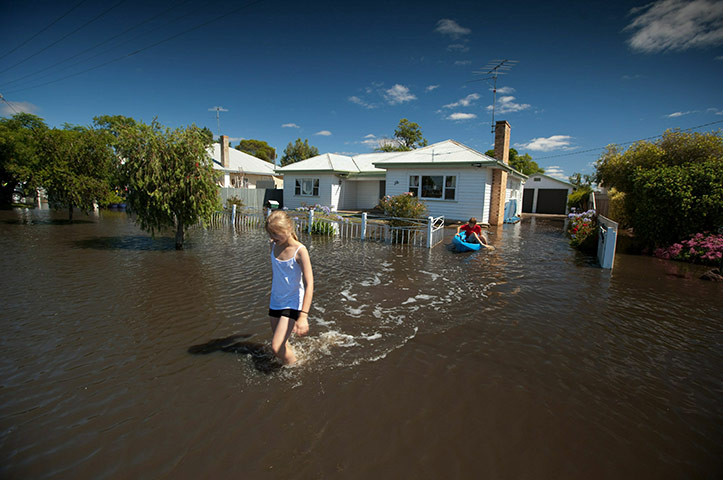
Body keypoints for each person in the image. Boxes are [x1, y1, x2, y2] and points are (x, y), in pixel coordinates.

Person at [265, 210, 314, 365]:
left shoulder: (300, 251)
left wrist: (303, 316)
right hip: (276, 301)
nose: (272, 237)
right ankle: (290, 359)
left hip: (292, 303)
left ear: (287, 230)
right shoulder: (273, 246)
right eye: (270, 233)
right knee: (281, 344)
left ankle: (296, 368)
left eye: (275, 233)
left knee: (276, 347)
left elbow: (309, 284)